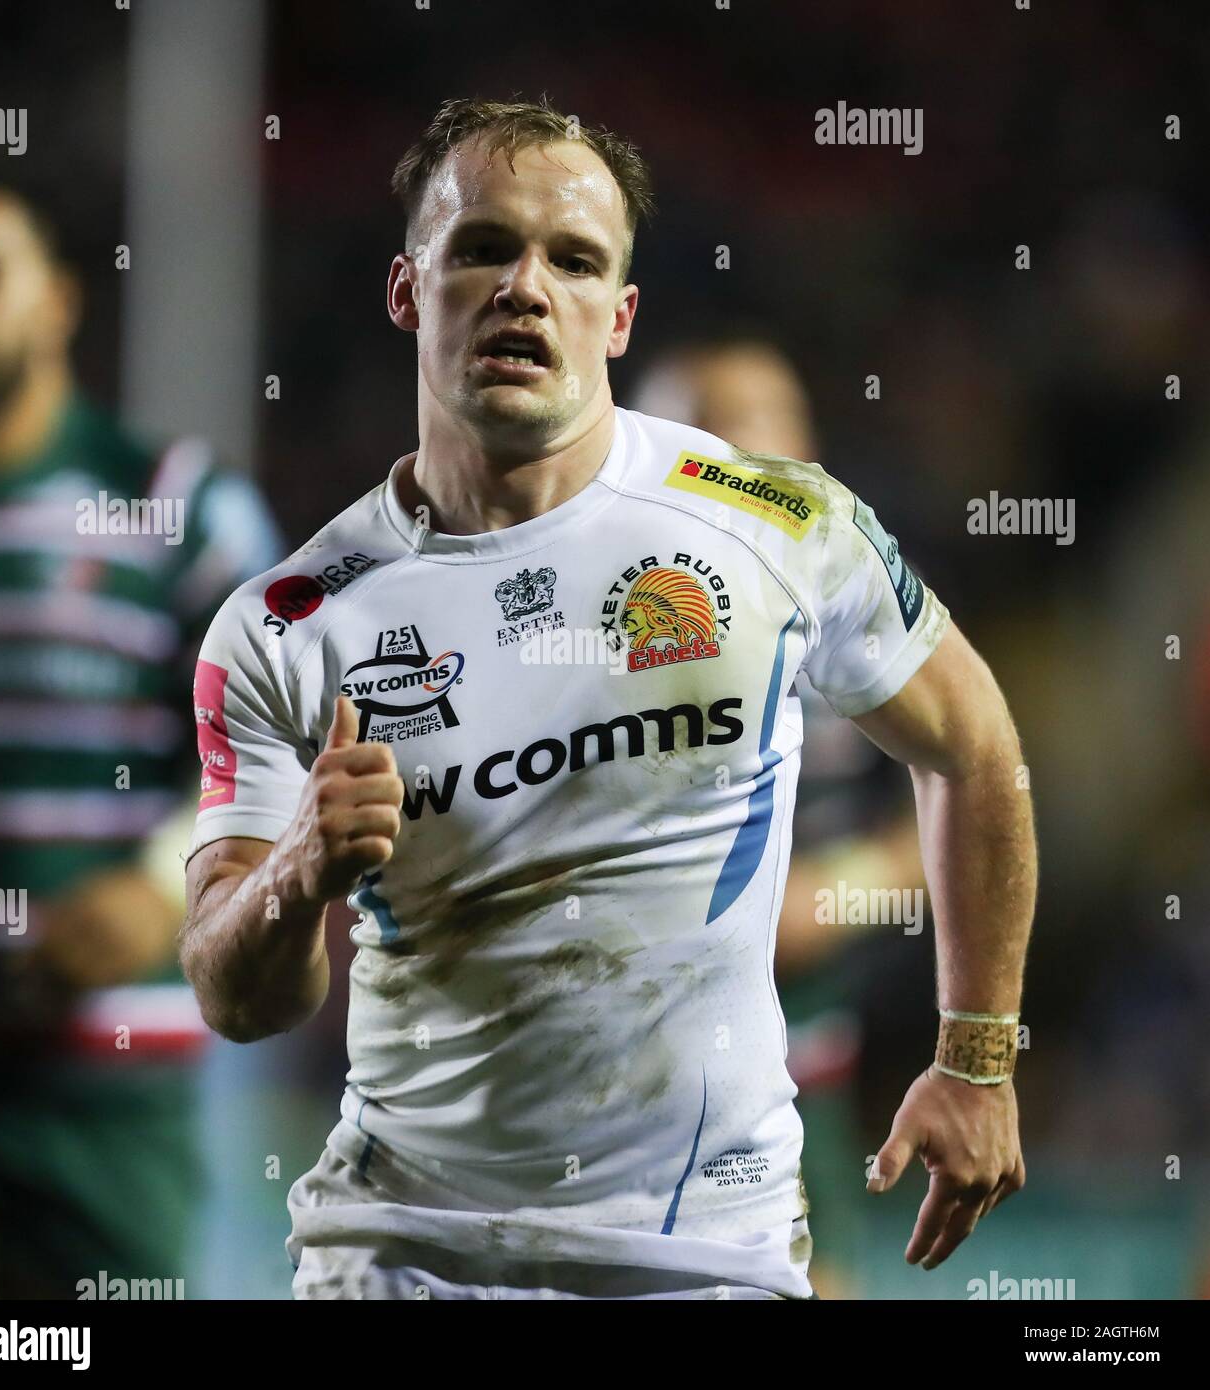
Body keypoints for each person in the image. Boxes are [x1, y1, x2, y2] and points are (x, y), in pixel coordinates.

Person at [181, 96, 1035, 1301]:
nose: (526, 287)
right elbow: (235, 996)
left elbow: (975, 747)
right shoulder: (287, 623)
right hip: (403, 1256)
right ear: (405, 288)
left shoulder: (773, 521)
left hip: (706, 1258)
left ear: (618, 315)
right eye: (481, 246)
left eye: (572, 260)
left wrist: (977, 1057)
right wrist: (299, 869)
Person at [0, 179, 283, 1298]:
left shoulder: (174, 504)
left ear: (58, 303)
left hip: (109, 1070)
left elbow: (283, 724)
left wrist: (155, 886)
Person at [630, 338, 928, 1298]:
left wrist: (840, 893)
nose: (737, 460)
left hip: (806, 1064)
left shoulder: (856, 608)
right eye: (704, 432)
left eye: (762, 427)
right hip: (631, 1086)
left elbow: (963, 795)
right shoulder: (614, 616)